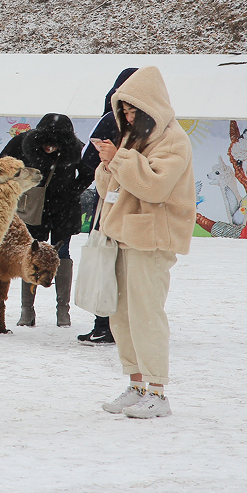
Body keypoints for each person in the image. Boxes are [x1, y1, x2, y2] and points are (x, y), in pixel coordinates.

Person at [90, 66, 196, 419]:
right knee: (122, 316)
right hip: (123, 235)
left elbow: (154, 186)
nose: (129, 117)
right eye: (125, 110)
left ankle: (158, 392)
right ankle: (137, 385)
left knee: (146, 314)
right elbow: (111, 191)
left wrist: (118, 158)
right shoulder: (135, 141)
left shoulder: (173, 141)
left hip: (151, 239)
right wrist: (107, 164)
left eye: (135, 110)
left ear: (152, 107)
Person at [0, 113, 90, 328]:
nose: (50, 148)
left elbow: (88, 173)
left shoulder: (76, 148)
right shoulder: (21, 142)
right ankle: (27, 310)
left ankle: (63, 311)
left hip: (63, 210)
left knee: (63, 254)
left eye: (55, 144)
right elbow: (3, 167)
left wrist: (72, 191)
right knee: (30, 255)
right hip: (33, 208)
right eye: (46, 143)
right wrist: (19, 187)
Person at [76, 67, 138, 346]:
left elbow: (89, 159)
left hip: (111, 199)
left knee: (106, 261)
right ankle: (129, 325)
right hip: (141, 204)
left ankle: (104, 324)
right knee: (132, 267)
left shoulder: (110, 120)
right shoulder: (156, 125)